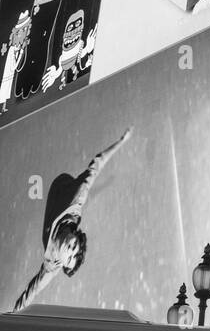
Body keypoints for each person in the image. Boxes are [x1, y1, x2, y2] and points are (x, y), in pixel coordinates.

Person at [11, 128, 132, 313]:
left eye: (70, 258)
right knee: (85, 183)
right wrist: (121, 141)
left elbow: (31, 291)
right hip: (64, 184)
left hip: (54, 200)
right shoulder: (77, 198)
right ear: (74, 236)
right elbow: (96, 164)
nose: (71, 251)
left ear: (63, 264)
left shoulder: (52, 265)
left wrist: (9, 320)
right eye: (75, 248)